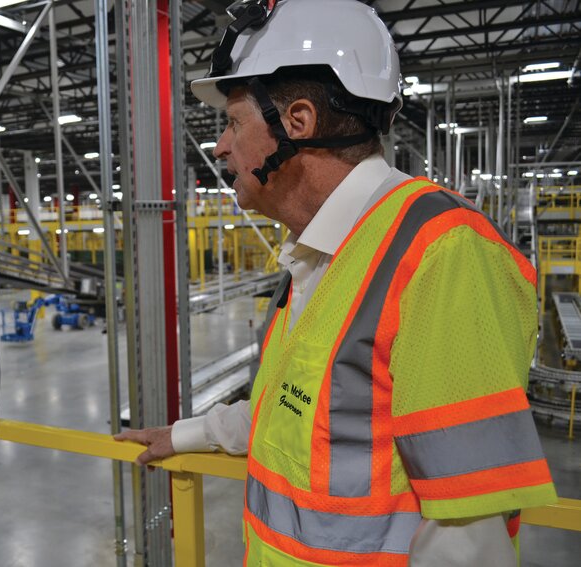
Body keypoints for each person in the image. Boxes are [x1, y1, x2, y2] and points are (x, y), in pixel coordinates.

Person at [115, 1, 557, 565]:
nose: (221, 147)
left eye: (232, 122)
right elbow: (301, 416)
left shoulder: (442, 254)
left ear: (296, 123)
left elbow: (469, 537)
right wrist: (185, 436)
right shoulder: (320, 252)